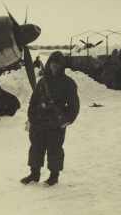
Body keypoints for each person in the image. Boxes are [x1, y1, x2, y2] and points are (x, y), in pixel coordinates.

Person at [21, 51, 79, 186]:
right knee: (36, 147)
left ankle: (54, 176)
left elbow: (74, 105)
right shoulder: (42, 81)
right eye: (53, 64)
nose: (54, 67)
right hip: (39, 121)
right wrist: (31, 117)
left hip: (56, 122)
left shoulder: (68, 83)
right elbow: (33, 101)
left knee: (55, 149)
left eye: (57, 65)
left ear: (62, 66)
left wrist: (67, 120)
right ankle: (34, 174)